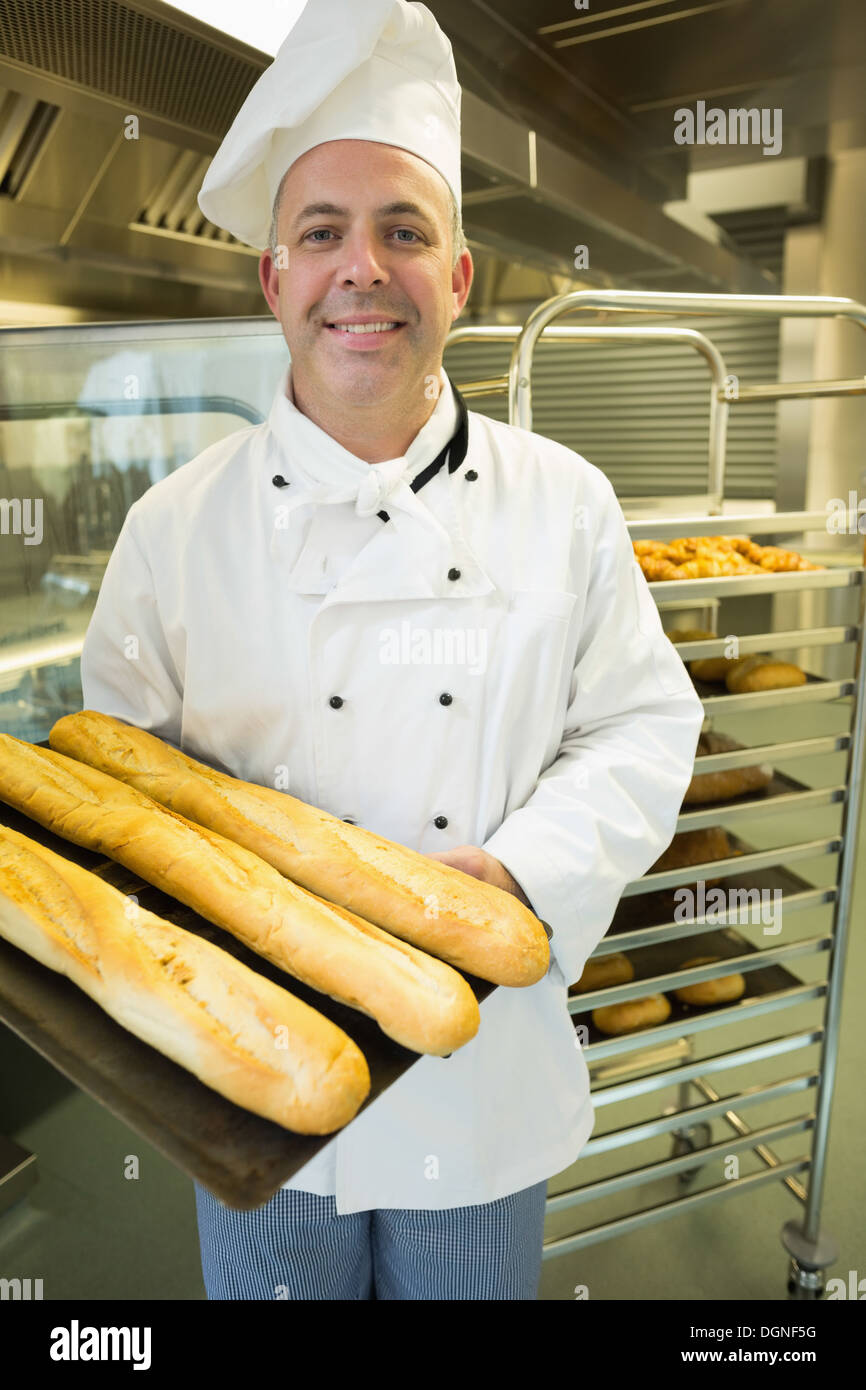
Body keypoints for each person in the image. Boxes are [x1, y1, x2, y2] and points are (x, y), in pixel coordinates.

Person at [80, 0, 705, 1300]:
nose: (360, 268)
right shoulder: (172, 526)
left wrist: (518, 876)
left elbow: (643, 727)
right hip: (244, 1085)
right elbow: (119, 796)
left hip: (477, 1094)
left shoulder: (565, 502)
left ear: (460, 279)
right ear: (273, 280)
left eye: (403, 231)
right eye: (321, 233)